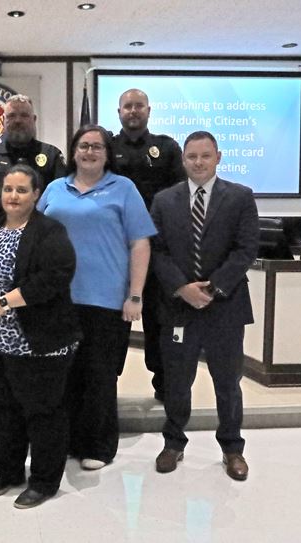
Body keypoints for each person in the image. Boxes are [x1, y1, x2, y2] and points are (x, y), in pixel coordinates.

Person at [0, 164, 81, 509]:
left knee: (42, 412)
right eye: (8, 189)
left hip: (36, 340)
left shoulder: (50, 231)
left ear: (36, 194)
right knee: (2, 408)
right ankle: (9, 471)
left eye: (22, 190)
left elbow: (55, 276)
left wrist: (5, 302)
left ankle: (43, 481)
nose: (13, 196)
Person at [38, 125, 156, 470]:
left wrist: (135, 295)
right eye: (83, 146)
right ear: (73, 151)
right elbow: (33, 232)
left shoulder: (123, 189)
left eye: (97, 147)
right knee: (63, 374)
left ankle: (98, 446)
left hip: (105, 301)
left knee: (100, 375)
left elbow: (140, 243)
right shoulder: (55, 188)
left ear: (108, 154)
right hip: (58, 299)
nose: (89, 152)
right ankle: (67, 440)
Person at [150, 130, 258, 481]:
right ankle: (173, 443)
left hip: (225, 307)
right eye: (191, 156)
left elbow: (245, 250)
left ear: (218, 157)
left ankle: (232, 448)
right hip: (179, 306)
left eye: (205, 156)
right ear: (183, 159)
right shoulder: (164, 200)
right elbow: (157, 250)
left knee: (227, 382)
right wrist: (182, 288)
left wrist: (211, 288)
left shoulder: (240, 198)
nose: (198, 162)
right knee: (177, 381)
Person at [112, 89, 187, 402]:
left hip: (156, 252)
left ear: (149, 111)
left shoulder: (167, 148)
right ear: (119, 112)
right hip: (116, 251)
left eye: (138, 106)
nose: (133, 111)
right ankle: (105, 387)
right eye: (128, 106)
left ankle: (164, 386)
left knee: (159, 321)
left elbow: (181, 197)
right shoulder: (106, 147)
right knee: (114, 326)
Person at [0, 94, 66, 191]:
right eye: (12, 115)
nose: (18, 121)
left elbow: (62, 196)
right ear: (3, 120)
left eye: (24, 115)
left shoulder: (52, 156)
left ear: (34, 119)